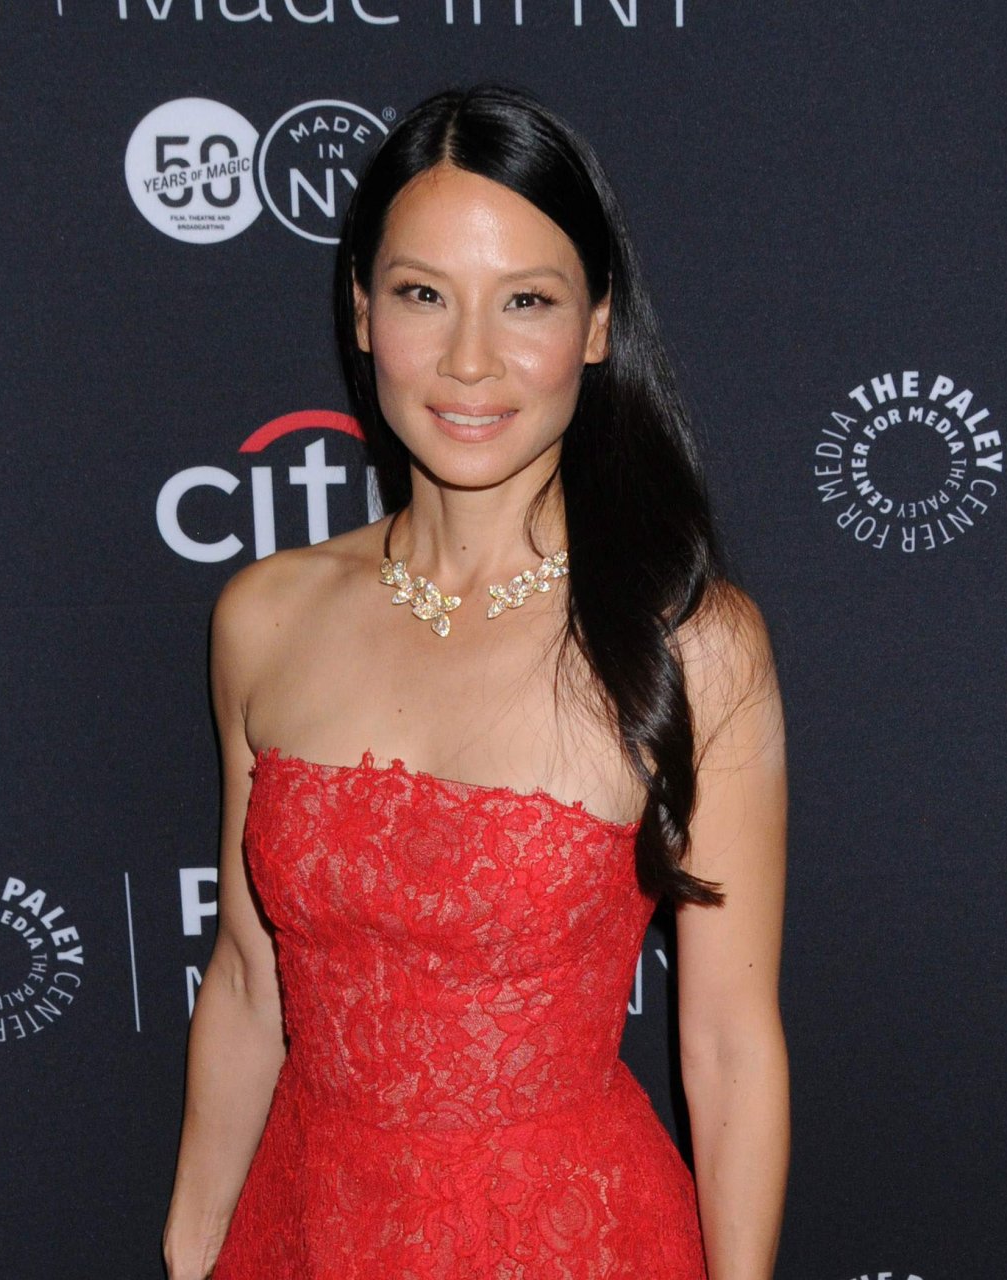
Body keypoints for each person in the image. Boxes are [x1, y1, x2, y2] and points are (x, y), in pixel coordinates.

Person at [162, 84, 788, 1280]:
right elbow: (247, 977)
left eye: (526, 302)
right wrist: (191, 1246)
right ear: (361, 311)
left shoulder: (691, 641)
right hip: (307, 1232)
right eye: (421, 294)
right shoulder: (265, 616)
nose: (467, 360)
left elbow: (725, 1044)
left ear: (596, 326)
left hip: (574, 1242)